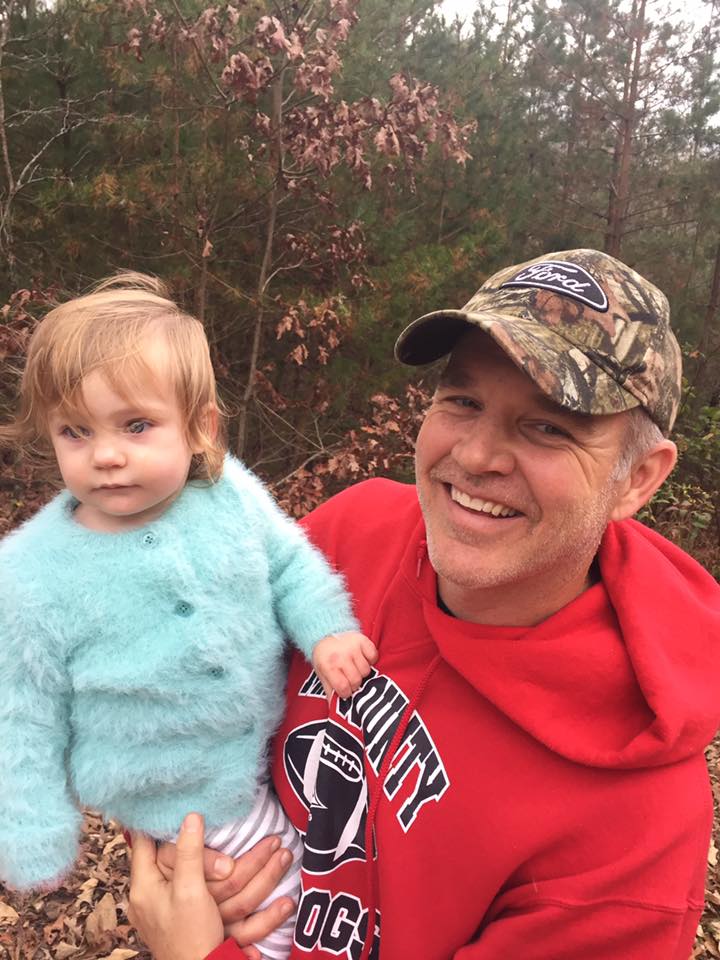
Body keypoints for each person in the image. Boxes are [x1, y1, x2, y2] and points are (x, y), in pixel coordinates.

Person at [132, 250, 719, 959]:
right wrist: (186, 851)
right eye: (462, 401)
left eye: (548, 427)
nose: (474, 457)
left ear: (638, 480)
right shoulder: (351, 536)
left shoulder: (637, 834)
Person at [0, 273, 378, 960]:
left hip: (264, 762)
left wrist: (327, 629)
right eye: (75, 432)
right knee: (283, 913)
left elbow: (289, 564)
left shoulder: (230, 495)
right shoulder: (30, 573)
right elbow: (22, 709)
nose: (106, 455)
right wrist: (31, 832)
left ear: (199, 426)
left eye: (136, 425)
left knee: (309, 890)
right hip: (177, 799)